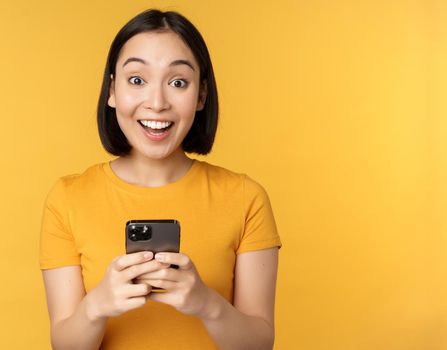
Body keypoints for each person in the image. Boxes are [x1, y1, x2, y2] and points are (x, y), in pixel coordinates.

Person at [39, 9, 281, 350]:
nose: (156, 103)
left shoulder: (245, 197)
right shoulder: (67, 198)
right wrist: (96, 306)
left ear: (201, 96)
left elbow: (260, 345)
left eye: (178, 82)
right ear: (112, 91)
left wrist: (206, 303)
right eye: (137, 80)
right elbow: (64, 345)